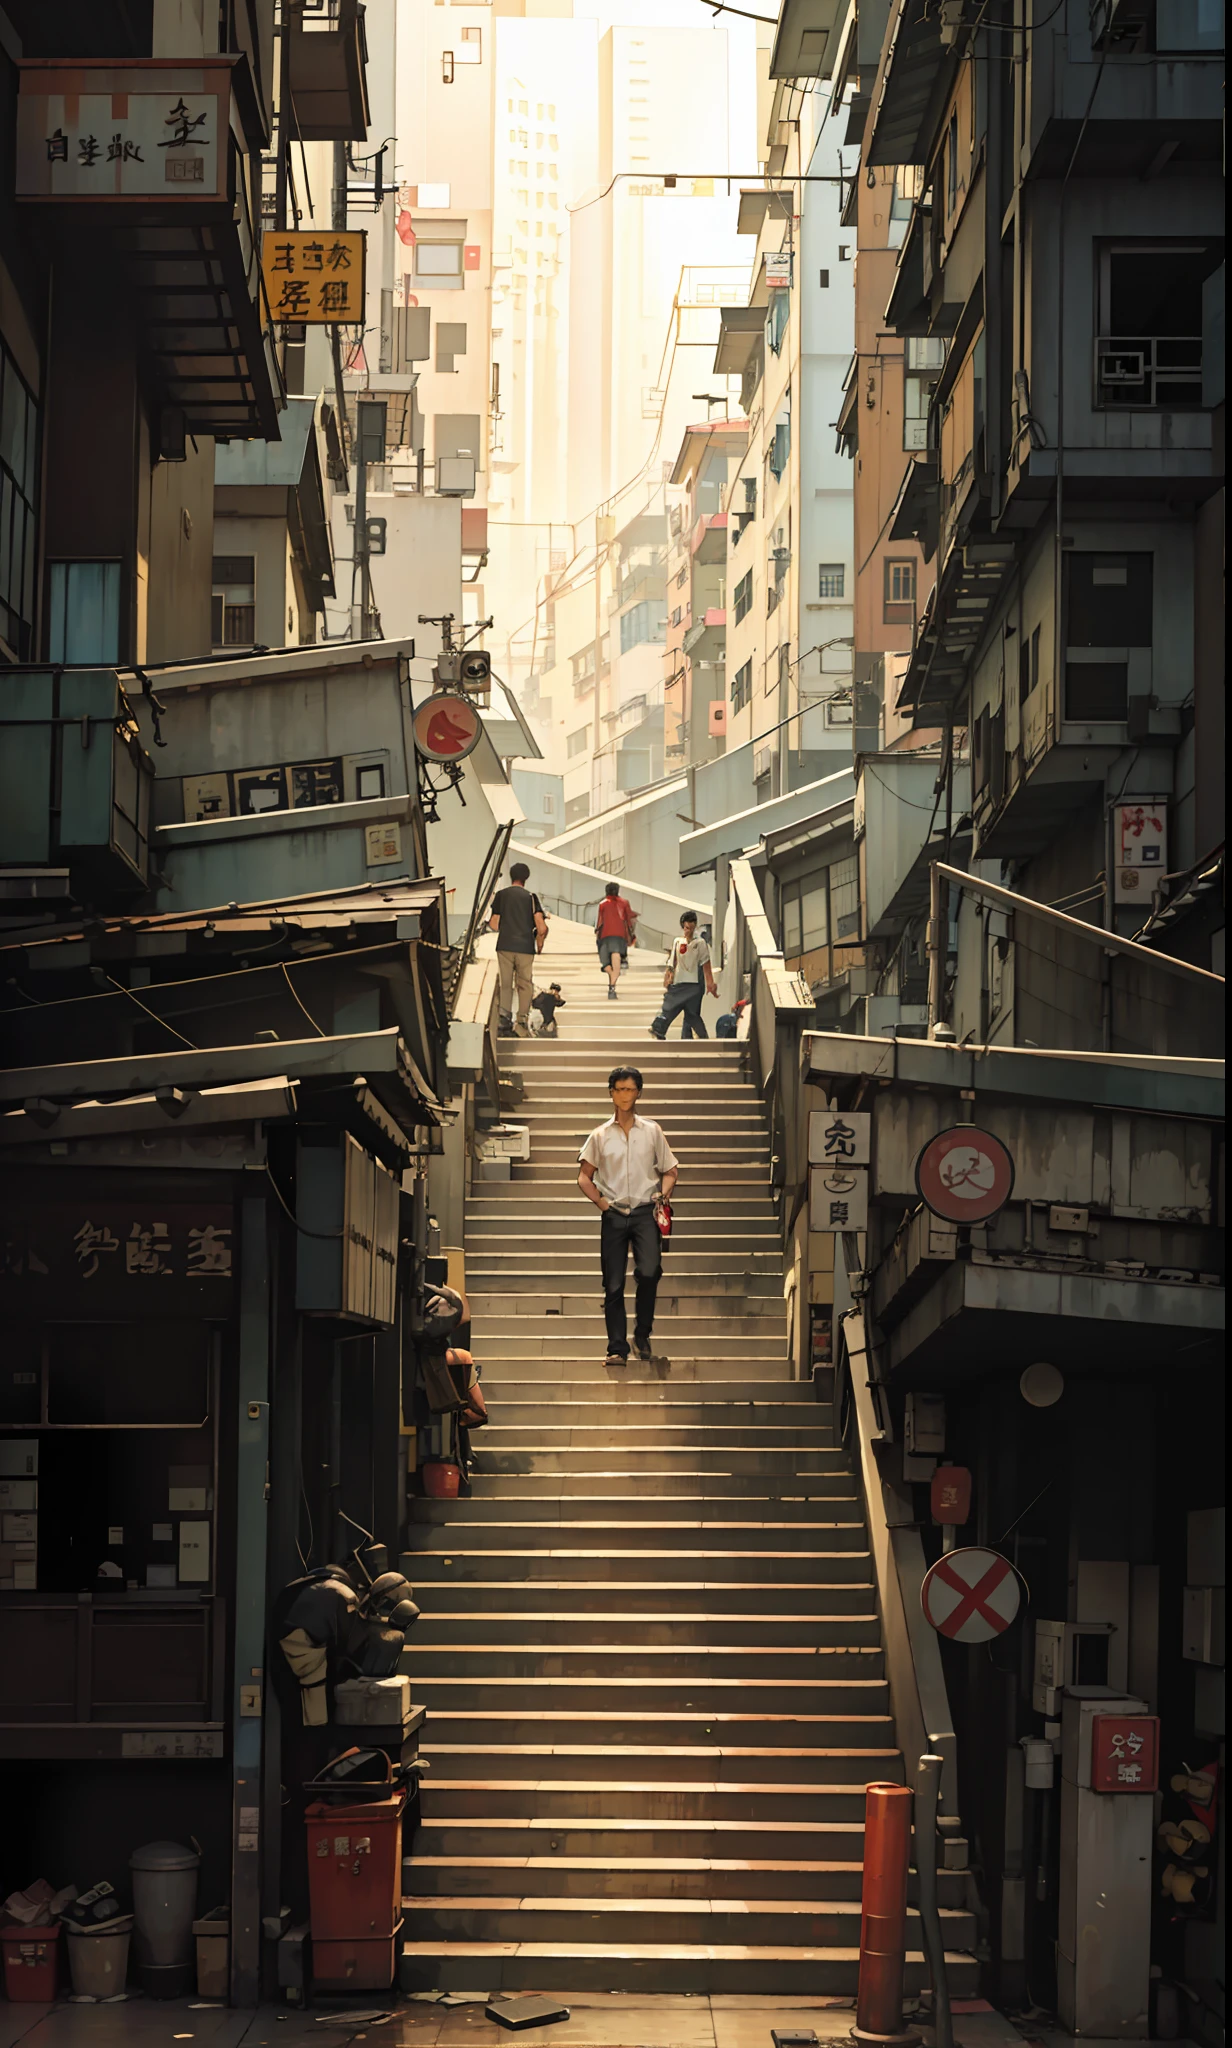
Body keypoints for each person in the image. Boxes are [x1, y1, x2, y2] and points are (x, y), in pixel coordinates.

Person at [577, 1064, 678, 1366]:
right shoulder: (599, 1135)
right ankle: (616, 1348)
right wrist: (602, 1204)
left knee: (649, 1272)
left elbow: (671, 1170)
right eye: (620, 1089)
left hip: (646, 1212)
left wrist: (663, 1193)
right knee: (614, 1284)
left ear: (639, 1093)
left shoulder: (652, 1131)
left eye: (631, 1089)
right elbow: (584, 1177)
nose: (625, 1095)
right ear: (611, 1093)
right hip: (615, 1215)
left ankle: (642, 1332)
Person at [488, 862, 547, 1037]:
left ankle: (504, 1019)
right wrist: (539, 942)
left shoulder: (501, 895)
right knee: (524, 984)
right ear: (526, 878)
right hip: (525, 947)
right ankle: (521, 1020)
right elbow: (541, 927)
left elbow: (494, 924)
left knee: (505, 984)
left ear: (511, 876)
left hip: (505, 945)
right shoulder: (531, 898)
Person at [649, 911, 718, 1040]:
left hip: (694, 984)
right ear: (683, 926)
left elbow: (706, 964)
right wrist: (668, 976)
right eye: (686, 928)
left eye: (691, 928)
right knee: (679, 1009)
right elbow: (672, 961)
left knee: (684, 1011)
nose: (688, 931)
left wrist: (710, 983)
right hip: (679, 982)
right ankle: (701, 1037)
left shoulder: (700, 943)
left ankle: (661, 1029)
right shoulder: (677, 941)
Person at [594, 880, 638, 999]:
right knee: (617, 963)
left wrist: (597, 934)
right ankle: (612, 988)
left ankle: (611, 981)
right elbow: (629, 919)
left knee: (606, 964)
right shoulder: (624, 903)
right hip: (620, 936)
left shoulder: (602, 904)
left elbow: (599, 922)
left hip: (605, 936)